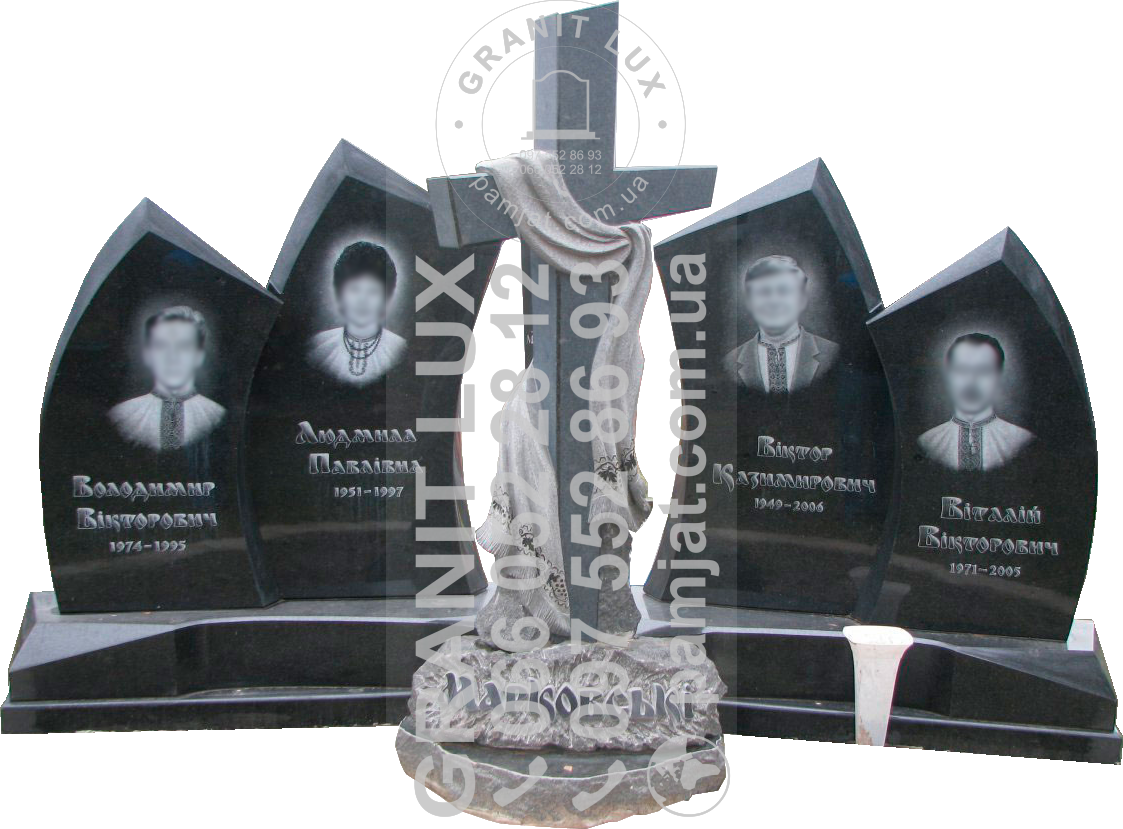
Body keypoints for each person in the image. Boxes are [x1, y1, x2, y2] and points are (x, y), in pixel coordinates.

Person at [108, 306, 225, 452]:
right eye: (162, 346)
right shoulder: (123, 416)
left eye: (183, 346)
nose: (172, 357)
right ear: (148, 354)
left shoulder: (216, 417)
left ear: (199, 355)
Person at [918, 333, 1035, 472]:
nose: (971, 382)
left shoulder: (1022, 441)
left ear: (999, 376)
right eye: (962, 370)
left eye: (983, 371)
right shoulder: (928, 443)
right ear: (949, 376)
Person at [724, 254, 839, 394]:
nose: (774, 301)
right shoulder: (731, 362)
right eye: (763, 292)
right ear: (749, 301)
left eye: (784, 291)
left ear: (802, 299)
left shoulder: (831, 353)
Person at [307, 241, 406, 385]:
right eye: (354, 289)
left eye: (373, 291)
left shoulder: (400, 350)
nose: (362, 300)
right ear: (340, 292)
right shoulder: (319, 345)